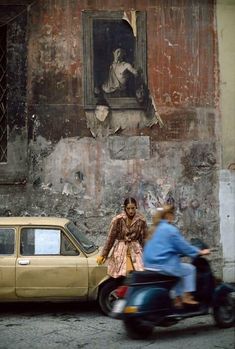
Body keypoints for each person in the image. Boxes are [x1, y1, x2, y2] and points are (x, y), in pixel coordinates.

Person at [143, 205, 210, 308]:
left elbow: (164, 248)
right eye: (172, 214)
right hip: (164, 265)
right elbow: (184, 247)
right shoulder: (170, 230)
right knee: (190, 270)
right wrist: (200, 252)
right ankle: (186, 297)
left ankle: (176, 299)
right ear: (169, 216)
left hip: (149, 265)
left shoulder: (153, 229)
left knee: (179, 273)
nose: (173, 217)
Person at [96, 197, 148, 278]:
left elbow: (144, 239)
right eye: (128, 208)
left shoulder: (141, 220)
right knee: (121, 275)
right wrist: (104, 254)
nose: (131, 211)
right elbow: (111, 238)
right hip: (121, 249)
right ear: (125, 208)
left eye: (133, 208)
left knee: (136, 274)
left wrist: (148, 254)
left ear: (136, 207)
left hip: (135, 250)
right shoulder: (118, 220)